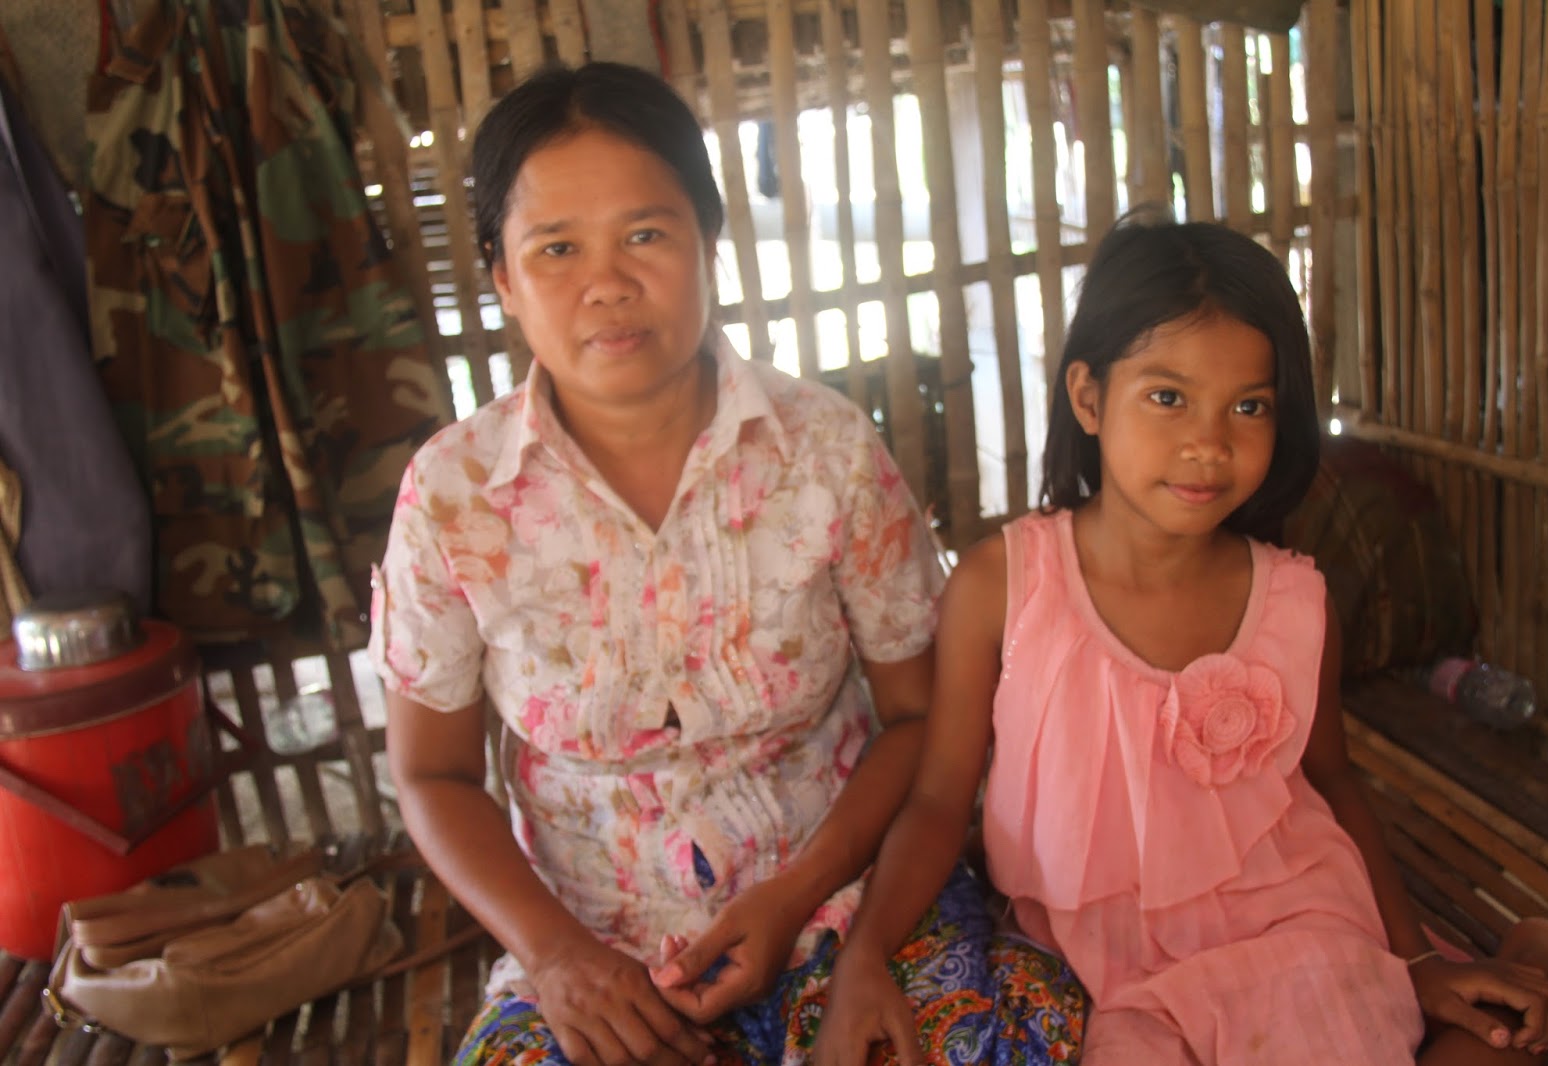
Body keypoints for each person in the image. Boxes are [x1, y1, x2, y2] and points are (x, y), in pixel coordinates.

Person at [370, 61, 1085, 1066]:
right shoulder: (453, 497)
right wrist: (559, 957)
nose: (608, 283)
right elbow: (432, 773)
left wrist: (801, 902)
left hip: (847, 908)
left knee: (1008, 1043)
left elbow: (917, 720)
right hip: (598, 953)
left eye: (646, 235)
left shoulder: (827, 452)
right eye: (557, 248)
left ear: (711, 242)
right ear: (501, 278)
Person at [813, 211, 1548, 1065]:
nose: (1209, 444)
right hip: (1104, 971)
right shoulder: (1005, 586)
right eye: (1168, 397)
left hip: (1300, 936)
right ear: (1089, 398)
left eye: (1248, 406)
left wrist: (1418, 959)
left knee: (1484, 1048)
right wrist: (864, 956)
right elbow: (937, 800)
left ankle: (1532, 980)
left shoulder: (1294, 599)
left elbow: (1332, 787)